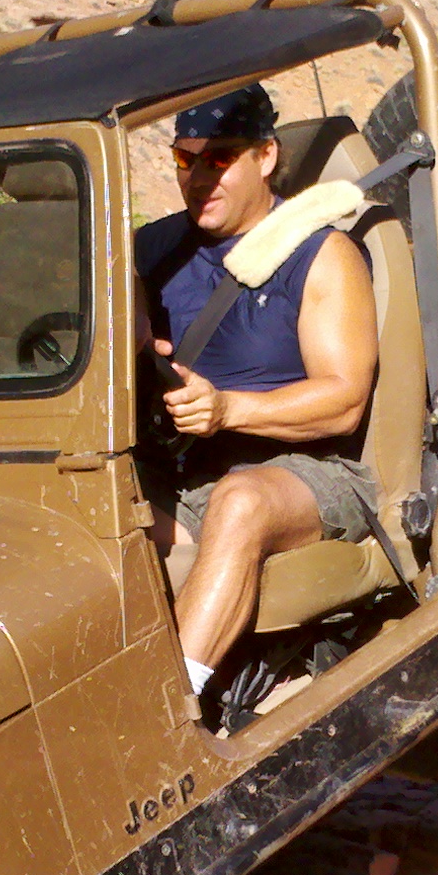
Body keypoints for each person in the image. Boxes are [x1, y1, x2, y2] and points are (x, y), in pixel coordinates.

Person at [133, 85, 379, 708]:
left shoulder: (321, 254)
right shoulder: (153, 250)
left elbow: (344, 399)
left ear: (265, 156)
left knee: (240, 503)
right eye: (185, 160)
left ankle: (169, 710)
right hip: (185, 477)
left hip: (305, 473)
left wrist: (229, 410)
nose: (198, 178)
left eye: (219, 159)